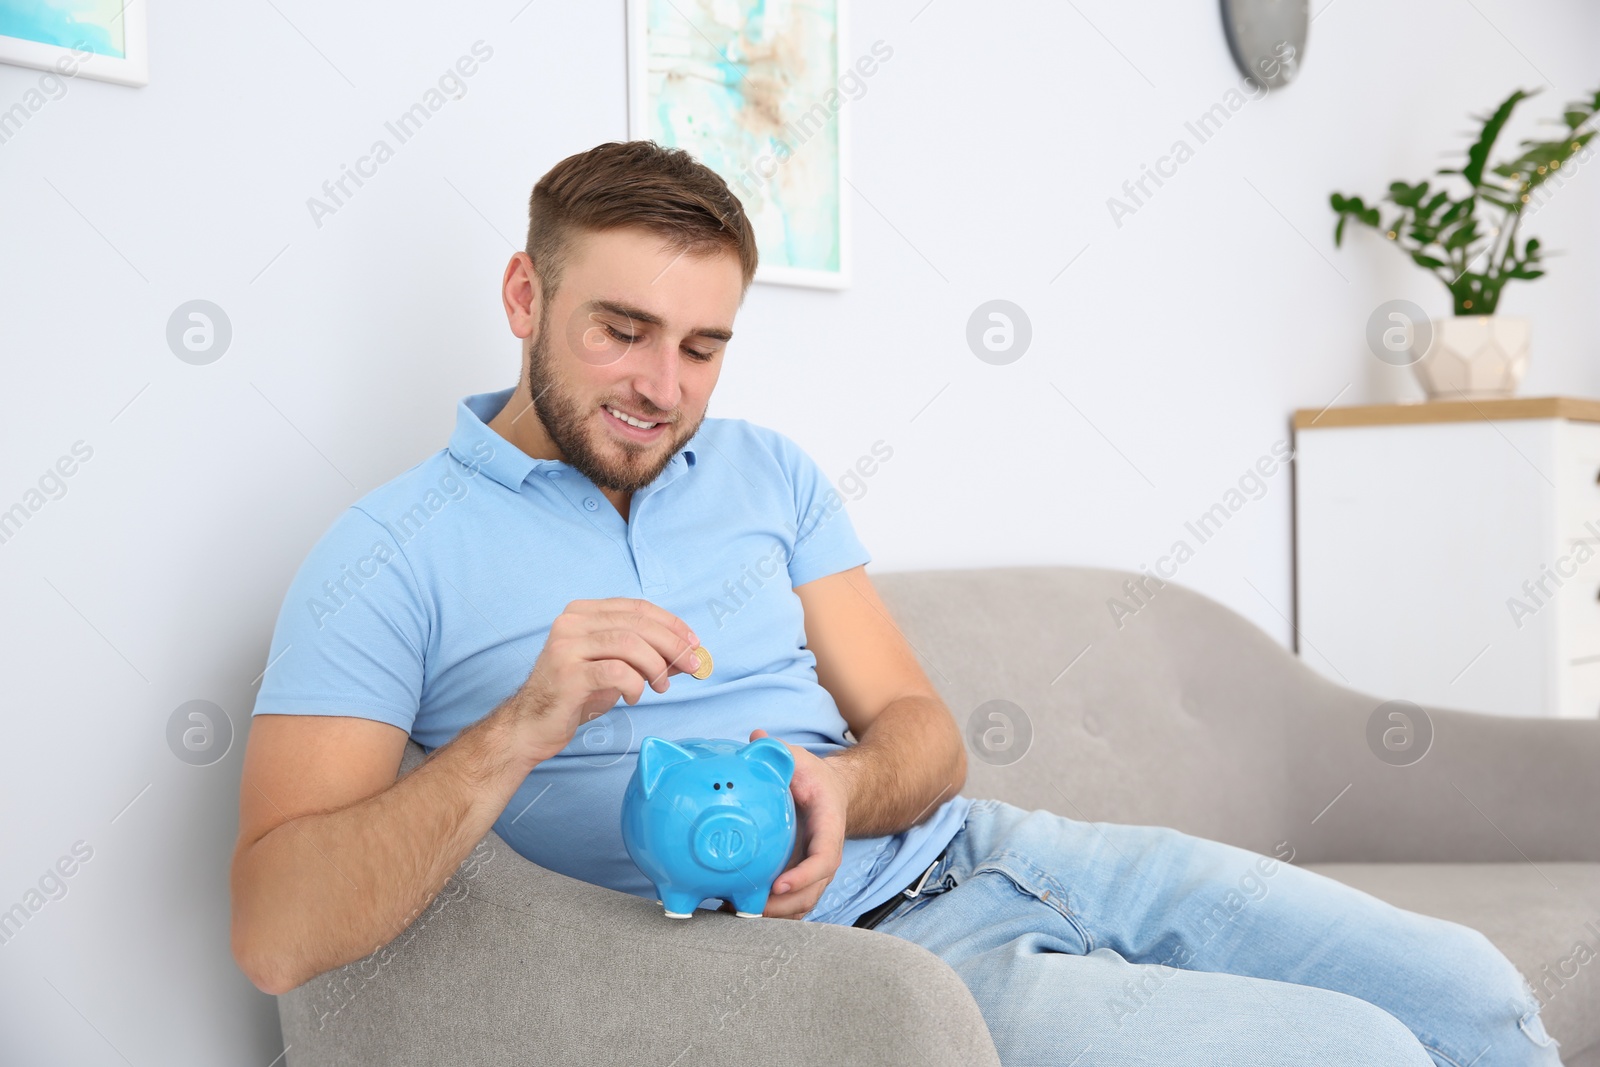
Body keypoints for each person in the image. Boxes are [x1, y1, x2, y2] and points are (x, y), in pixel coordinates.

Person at [230, 140, 1562, 1066]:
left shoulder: (768, 475)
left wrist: (844, 790)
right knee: (1358, 1053)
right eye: (619, 330)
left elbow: (921, 731)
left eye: (702, 349)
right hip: (829, 973)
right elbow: (278, 935)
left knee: (1473, 996)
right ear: (527, 296)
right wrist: (523, 723)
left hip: (984, 852)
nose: (662, 387)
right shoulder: (389, 553)